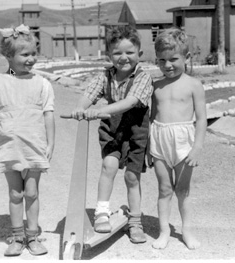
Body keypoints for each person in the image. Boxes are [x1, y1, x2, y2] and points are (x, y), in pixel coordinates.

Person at [71, 25, 153, 244]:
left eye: (129, 52)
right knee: (108, 167)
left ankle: (135, 221)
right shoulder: (105, 76)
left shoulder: (144, 78)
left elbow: (130, 102)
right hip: (112, 130)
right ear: (109, 56)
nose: (123, 58)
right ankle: (101, 213)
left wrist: (99, 111)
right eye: (117, 53)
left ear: (139, 55)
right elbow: (89, 94)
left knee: (131, 177)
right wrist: (81, 107)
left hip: (135, 132)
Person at [0, 24, 55, 256]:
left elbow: (48, 114)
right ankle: (17, 237)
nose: (31, 59)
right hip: (9, 146)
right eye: (25, 54)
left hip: (34, 145)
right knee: (15, 193)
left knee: (32, 192)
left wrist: (50, 143)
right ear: (8, 56)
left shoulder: (42, 83)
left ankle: (32, 237)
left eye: (34, 53)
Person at [148, 28, 207, 250]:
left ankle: (186, 231)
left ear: (186, 58)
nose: (168, 65)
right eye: (162, 60)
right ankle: (164, 232)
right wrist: (148, 148)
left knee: (183, 190)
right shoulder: (156, 86)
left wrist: (197, 147)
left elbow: (201, 119)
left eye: (173, 59)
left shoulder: (194, 85)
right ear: (156, 61)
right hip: (160, 140)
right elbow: (152, 117)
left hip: (184, 142)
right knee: (164, 189)